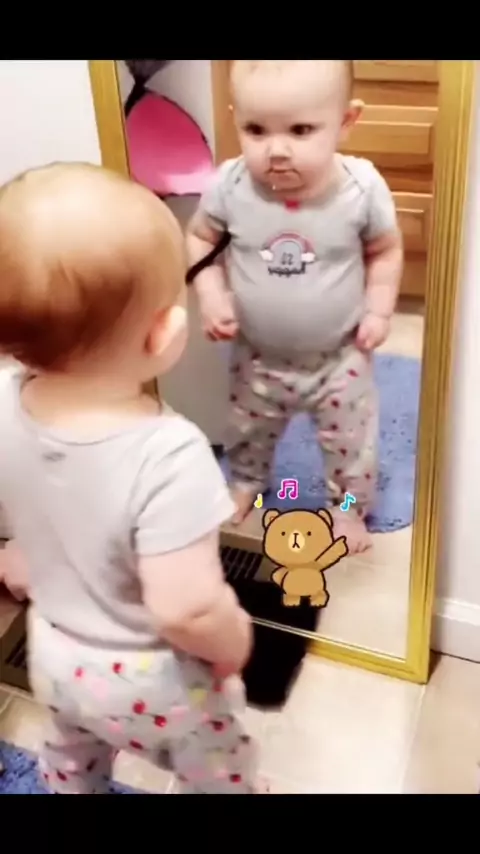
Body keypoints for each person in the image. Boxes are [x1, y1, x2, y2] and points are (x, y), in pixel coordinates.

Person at [0, 162, 261, 794]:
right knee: (218, 767)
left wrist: (25, 552)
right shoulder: (169, 453)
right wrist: (233, 638)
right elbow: (185, 607)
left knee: (71, 753)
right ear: (166, 332)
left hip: (55, 653)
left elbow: (45, 501)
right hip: (152, 679)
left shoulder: (6, 400)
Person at [186, 60, 404, 554]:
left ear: (346, 121)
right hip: (257, 355)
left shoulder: (361, 189)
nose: (277, 150)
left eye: (301, 130)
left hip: (339, 356)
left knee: (352, 444)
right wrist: (211, 293)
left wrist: (379, 311)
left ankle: (348, 509)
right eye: (256, 129)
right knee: (248, 429)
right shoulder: (230, 186)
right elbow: (199, 238)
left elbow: (385, 249)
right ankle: (246, 482)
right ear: (235, 118)